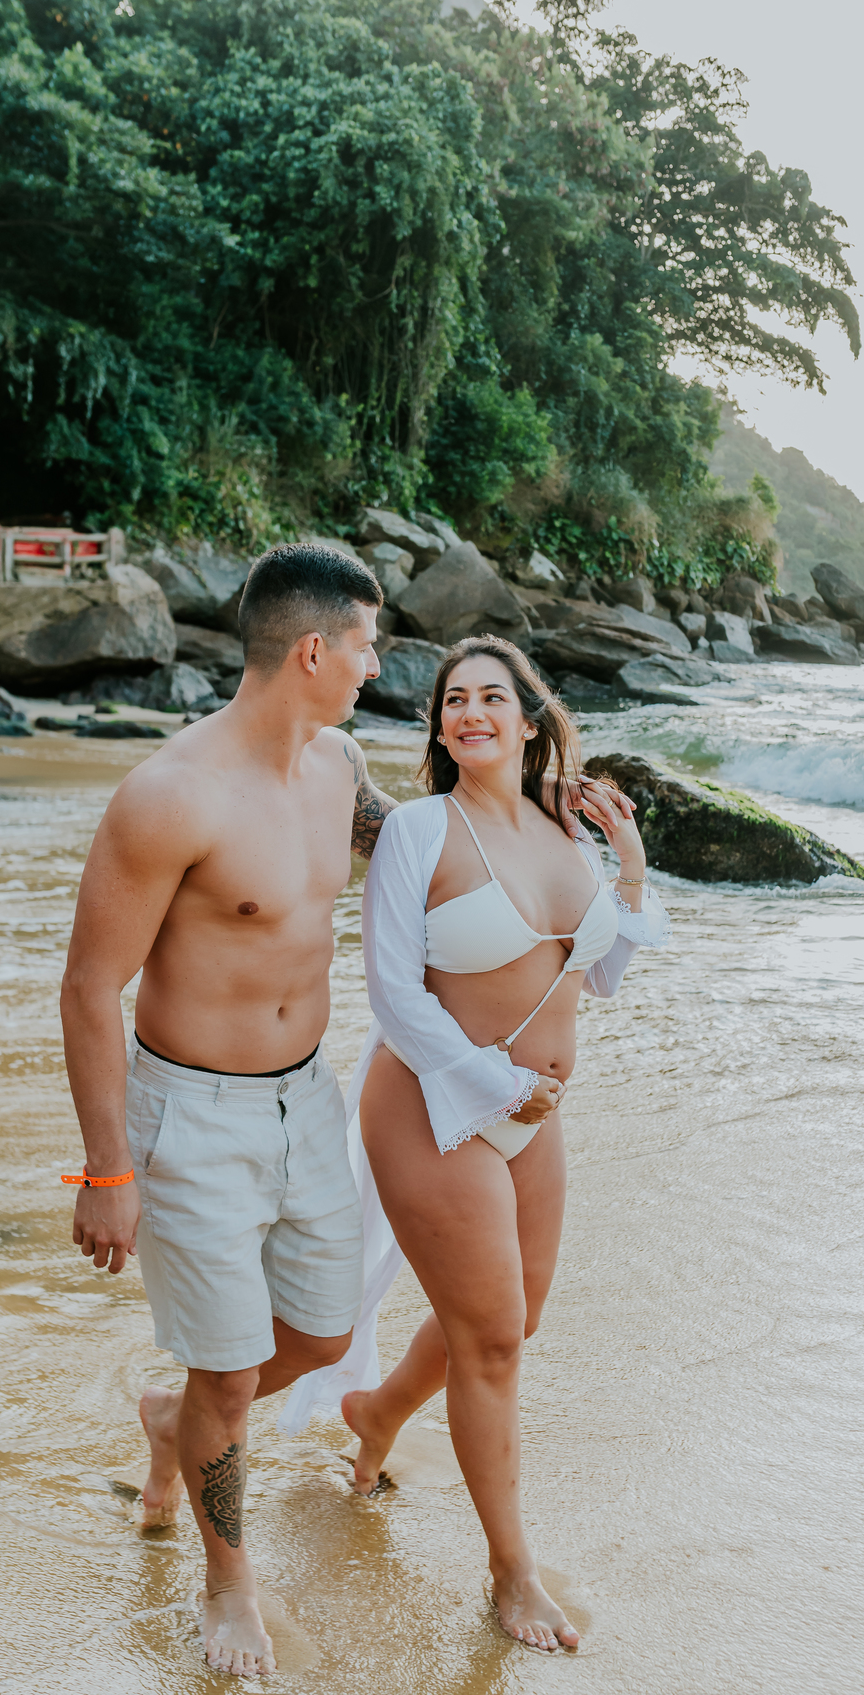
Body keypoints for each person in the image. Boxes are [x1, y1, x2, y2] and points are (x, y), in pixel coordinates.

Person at [284, 635, 668, 1653]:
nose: (470, 712)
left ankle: (376, 1414)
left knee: (514, 1319)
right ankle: (512, 1571)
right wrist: (499, 1084)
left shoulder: (563, 831)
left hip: (535, 1117)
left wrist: (628, 864)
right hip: (432, 1104)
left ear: (531, 722)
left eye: (492, 696)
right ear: (441, 727)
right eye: (453, 700)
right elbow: (393, 996)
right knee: (491, 1337)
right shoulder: (420, 830)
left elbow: (600, 976)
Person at [60, 543, 398, 1681]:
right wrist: (108, 1168)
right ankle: (227, 1582)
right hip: (192, 1116)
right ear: (312, 650)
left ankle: (175, 1420)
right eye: (365, 645)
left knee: (323, 1334)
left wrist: (544, 816)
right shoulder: (170, 796)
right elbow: (88, 987)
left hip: (310, 1100)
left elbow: (417, 852)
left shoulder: (341, 765)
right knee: (231, 1372)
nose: (374, 665)